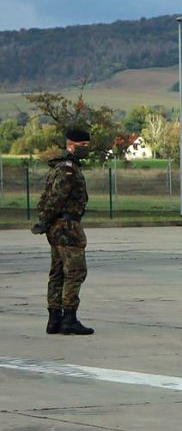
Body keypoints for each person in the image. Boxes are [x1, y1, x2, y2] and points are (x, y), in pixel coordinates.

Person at [31, 128, 94, 335]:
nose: (86, 150)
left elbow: (45, 198)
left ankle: (54, 320)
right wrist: (45, 220)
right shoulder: (68, 169)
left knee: (57, 272)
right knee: (75, 272)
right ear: (71, 144)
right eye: (83, 146)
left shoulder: (58, 166)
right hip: (67, 228)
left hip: (57, 228)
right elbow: (56, 198)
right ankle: (69, 319)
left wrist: (45, 222)